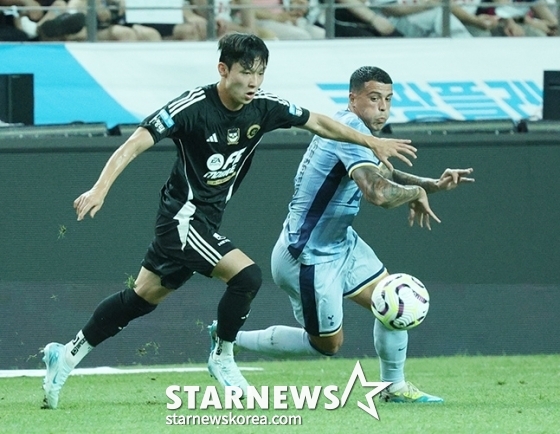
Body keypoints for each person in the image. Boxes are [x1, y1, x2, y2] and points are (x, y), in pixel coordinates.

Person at [41, 34, 417, 409]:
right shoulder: (193, 107)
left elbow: (318, 122)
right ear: (223, 70)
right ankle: (222, 356)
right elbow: (136, 141)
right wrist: (100, 188)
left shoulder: (263, 107)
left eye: (260, 73)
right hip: (182, 221)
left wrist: (371, 142)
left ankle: (67, 353)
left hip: (204, 222)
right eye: (246, 72)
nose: (254, 82)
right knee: (246, 276)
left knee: (140, 298)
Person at [213, 66, 474, 403]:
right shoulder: (349, 130)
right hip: (308, 254)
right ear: (353, 99)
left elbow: (386, 175)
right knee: (327, 345)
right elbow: (377, 192)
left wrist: (432, 185)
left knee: (395, 301)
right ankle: (228, 338)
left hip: (341, 243)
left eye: (388, 100)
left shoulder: (356, 132)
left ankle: (393, 387)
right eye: (374, 98)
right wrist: (415, 193)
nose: (382, 107)